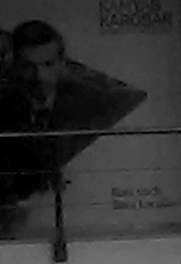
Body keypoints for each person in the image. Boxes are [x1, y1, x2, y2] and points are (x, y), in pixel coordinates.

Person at [0, 19, 147, 234]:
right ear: (16, 66)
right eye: (28, 67)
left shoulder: (92, 102)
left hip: (85, 218)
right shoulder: (6, 104)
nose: (39, 77)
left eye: (48, 65)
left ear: (62, 63)